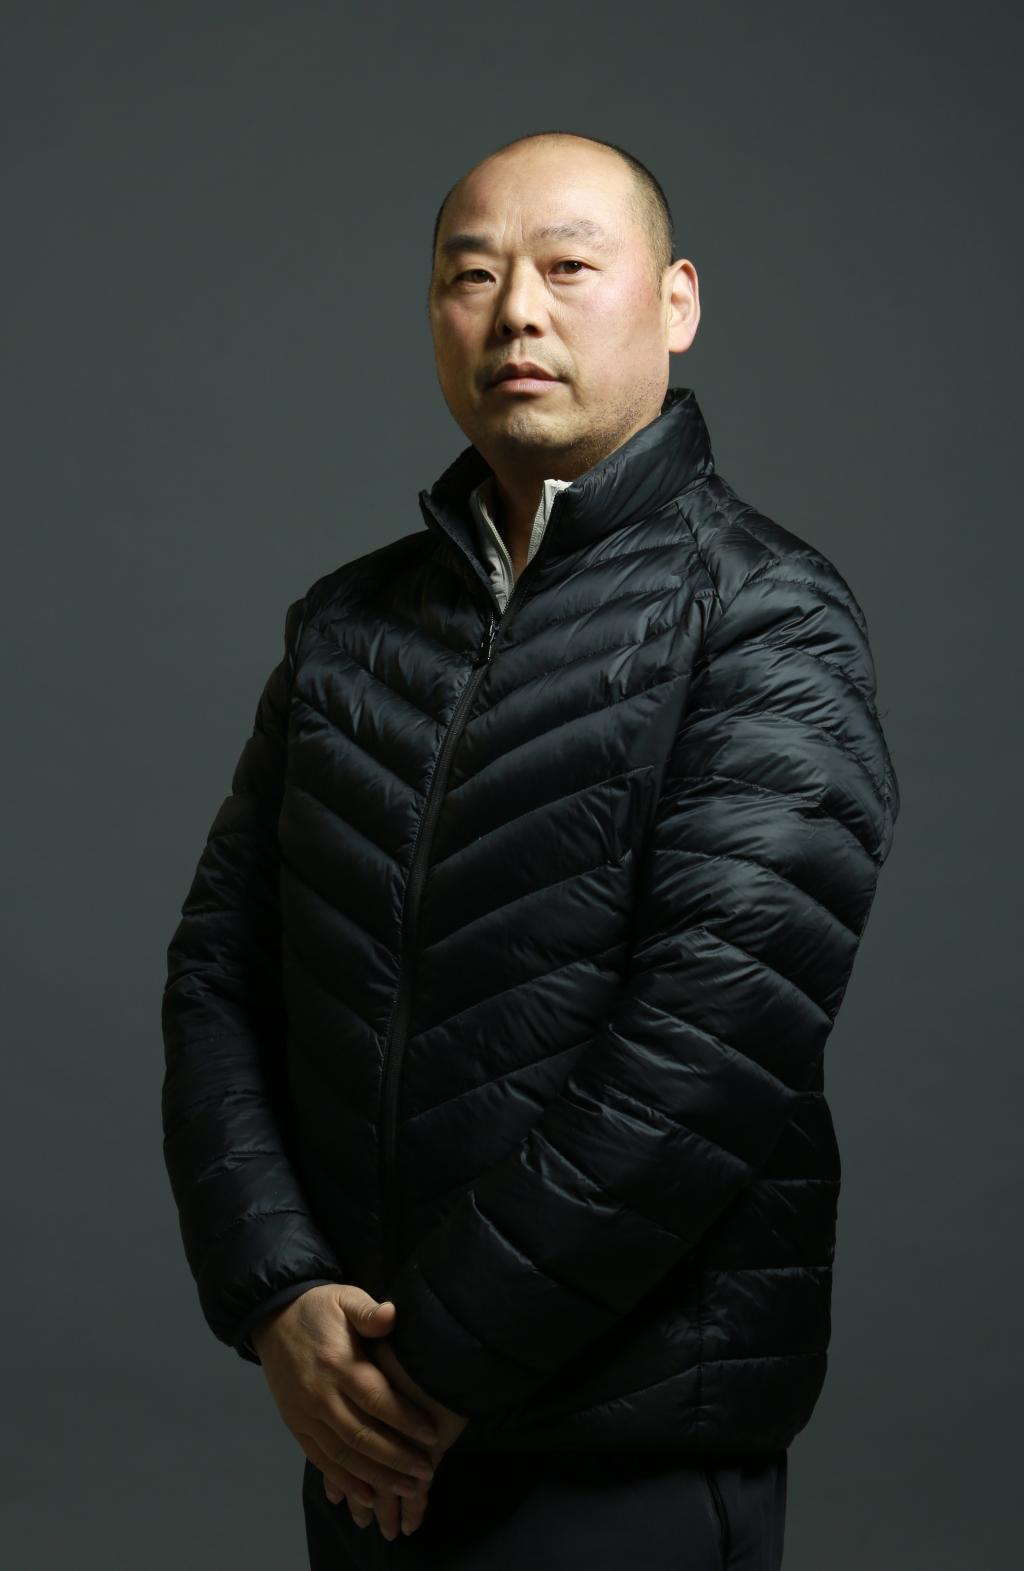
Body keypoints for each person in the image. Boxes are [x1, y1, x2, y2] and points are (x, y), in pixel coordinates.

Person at [161, 129, 900, 1569]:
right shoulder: (347, 629)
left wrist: (428, 1369)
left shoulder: (767, 618)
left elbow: (708, 1047)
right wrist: (281, 1299)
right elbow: (216, 981)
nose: (517, 313)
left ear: (676, 303)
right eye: (472, 275)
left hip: (618, 1457)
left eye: (568, 267)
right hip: (367, 1443)